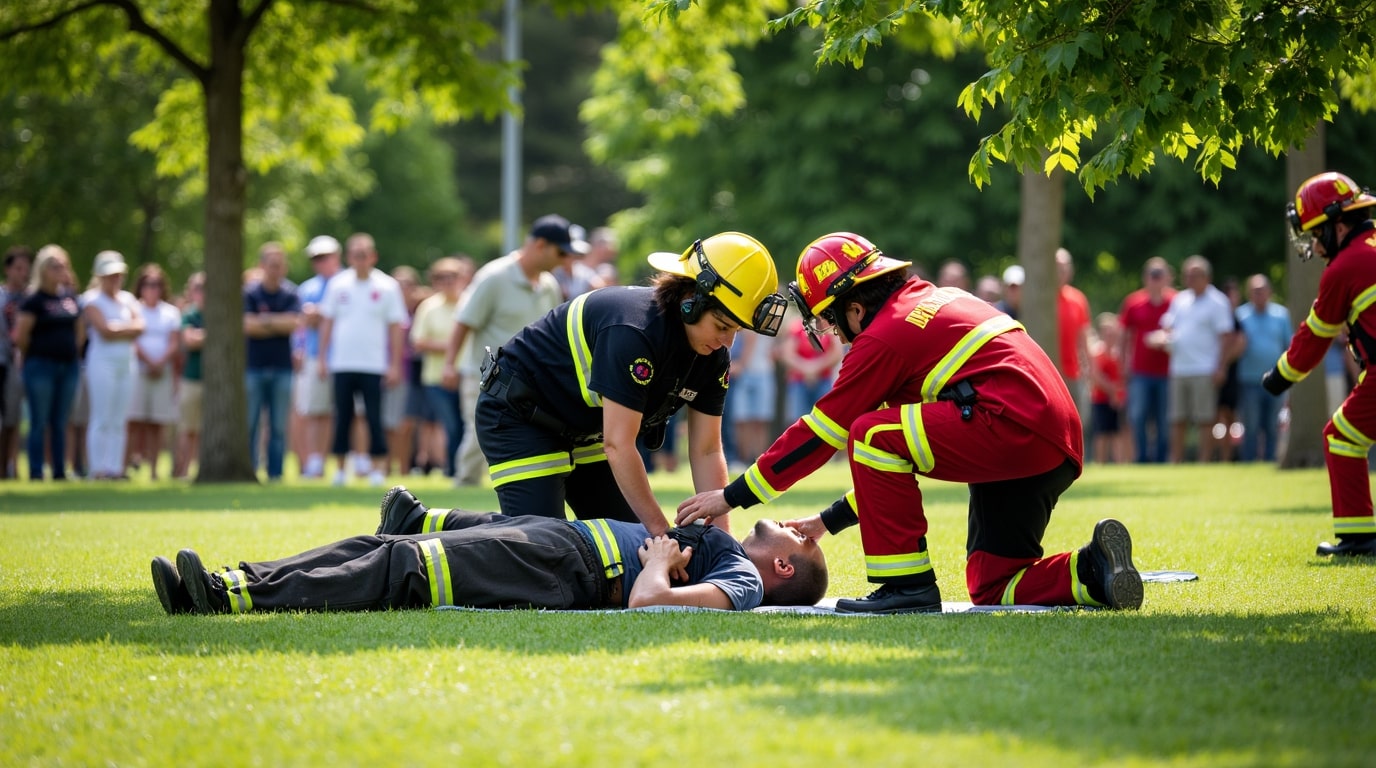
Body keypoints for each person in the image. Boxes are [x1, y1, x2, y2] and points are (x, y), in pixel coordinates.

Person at [675, 232, 1142, 614]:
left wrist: (732, 495)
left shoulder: (884, 336)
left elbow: (822, 432)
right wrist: (826, 521)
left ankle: (906, 587)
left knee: (871, 432)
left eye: (832, 321)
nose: (835, 334)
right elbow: (894, 469)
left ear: (855, 308)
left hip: (1013, 427)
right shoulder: (939, 300)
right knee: (993, 586)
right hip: (1045, 437)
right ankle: (1093, 571)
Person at [474, 232, 787, 535]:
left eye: (737, 331)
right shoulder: (633, 331)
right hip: (520, 416)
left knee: (630, 549)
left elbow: (706, 450)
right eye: (721, 326)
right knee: (545, 548)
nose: (727, 342)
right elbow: (618, 445)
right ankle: (438, 528)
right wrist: (661, 534)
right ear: (691, 302)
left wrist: (724, 542)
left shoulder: (713, 354)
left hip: (584, 428)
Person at [150, 485, 828, 615]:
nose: (794, 524)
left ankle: (228, 599)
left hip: (565, 567)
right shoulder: (739, 553)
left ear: (785, 567)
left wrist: (655, 562)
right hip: (562, 543)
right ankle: (226, 582)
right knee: (384, 542)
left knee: (402, 567)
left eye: (798, 535)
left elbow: (653, 602)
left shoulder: (742, 580)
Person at [1263, 171, 1376, 557]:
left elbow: (1314, 338)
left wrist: (1279, 377)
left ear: (1339, 225)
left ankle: (1359, 538)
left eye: (1317, 233)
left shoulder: (1343, 269)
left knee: (1341, 437)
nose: (1316, 243)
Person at [441, 215, 579, 486]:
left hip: (529, 381)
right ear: (541, 244)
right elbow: (464, 321)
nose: (565, 260)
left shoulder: (549, 284)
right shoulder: (494, 276)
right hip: (486, 374)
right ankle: (465, 484)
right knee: (478, 433)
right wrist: (449, 363)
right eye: (561, 252)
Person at [317, 233, 406, 487]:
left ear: (373, 256)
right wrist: (323, 358)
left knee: (374, 417)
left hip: (373, 363)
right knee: (342, 416)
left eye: (364, 254)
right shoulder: (337, 284)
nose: (360, 259)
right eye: (355, 254)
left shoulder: (387, 286)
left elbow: (395, 327)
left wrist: (394, 364)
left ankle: (378, 468)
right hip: (342, 363)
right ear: (348, 257)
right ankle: (341, 470)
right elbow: (327, 322)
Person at [1153, 255, 1238, 463]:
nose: (1189, 279)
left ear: (1207, 277)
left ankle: (1204, 460)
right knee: (1177, 419)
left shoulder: (1218, 301)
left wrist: (1221, 367)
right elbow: (1168, 327)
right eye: (1187, 275)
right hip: (1179, 368)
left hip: (1204, 369)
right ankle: (1176, 460)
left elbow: (1226, 337)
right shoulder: (1180, 300)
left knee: (1205, 419)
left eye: (1195, 275)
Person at [13, 245, 83, 481]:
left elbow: (79, 331)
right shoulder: (33, 299)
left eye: (63, 265)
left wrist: (72, 351)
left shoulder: (69, 297)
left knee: (60, 422)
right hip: (41, 366)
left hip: (68, 366)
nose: (60, 270)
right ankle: (35, 470)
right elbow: (22, 336)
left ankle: (59, 471)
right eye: (55, 266)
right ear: (42, 269)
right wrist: (34, 354)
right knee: (39, 421)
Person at [83, 251, 144, 481]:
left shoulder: (128, 299)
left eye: (119, 274)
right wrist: (125, 328)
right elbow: (105, 330)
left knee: (119, 419)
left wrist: (119, 328)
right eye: (111, 275)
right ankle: (97, 469)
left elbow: (141, 326)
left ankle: (115, 468)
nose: (116, 279)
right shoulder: (91, 299)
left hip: (126, 362)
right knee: (101, 417)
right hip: (101, 362)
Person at [243, 243, 301, 481]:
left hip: (282, 369)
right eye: (271, 265)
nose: (275, 269)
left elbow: (295, 323)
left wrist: (263, 321)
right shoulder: (249, 293)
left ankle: (275, 473)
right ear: (261, 265)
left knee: (278, 426)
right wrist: (277, 323)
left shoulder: (291, 293)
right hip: (253, 368)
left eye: (279, 265)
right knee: (250, 424)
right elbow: (247, 326)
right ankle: (250, 470)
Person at [411, 257, 473, 478]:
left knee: (468, 426)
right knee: (451, 426)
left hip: (468, 375)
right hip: (436, 378)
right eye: (441, 277)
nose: (447, 282)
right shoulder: (429, 307)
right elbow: (418, 342)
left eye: (452, 277)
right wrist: (452, 346)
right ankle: (453, 470)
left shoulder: (470, 302)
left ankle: (463, 470)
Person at [292, 235, 342, 479]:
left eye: (324, 257)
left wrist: (321, 313)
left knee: (340, 413)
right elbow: (301, 325)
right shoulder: (307, 288)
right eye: (315, 258)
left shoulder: (346, 283)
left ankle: (338, 461)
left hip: (343, 357)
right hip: (314, 355)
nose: (319, 263)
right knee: (315, 411)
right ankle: (315, 461)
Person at [1119, 257, 1176, 463]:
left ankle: (1161, 458)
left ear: (1168, 277)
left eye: (1159, 275)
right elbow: (1124, 336)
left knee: (1164, 418)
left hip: (1169, 370)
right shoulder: (1133, 303)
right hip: (1140, 371)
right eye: (1152, 275)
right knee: (1138, 416)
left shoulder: (1176, 302)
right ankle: (1141, 457)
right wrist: (1124, 365)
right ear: (1145, 278)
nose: (1156, 280)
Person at [126, 264, 181, 479]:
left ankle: (155, 471)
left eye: (157, 285)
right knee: (134, 421)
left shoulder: (170, 312)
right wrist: (149, 361)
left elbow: (174, 342)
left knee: (157, 423)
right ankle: (124, 466)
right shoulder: (133, 309)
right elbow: (133, 340)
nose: (153, 289)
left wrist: (159, 363)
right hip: (138, 371)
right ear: (141, 287)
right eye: (148, 284)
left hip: (162, 372)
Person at [1235, 274, 1292, 462]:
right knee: (1250, 425)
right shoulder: (1240, 316)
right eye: (1254, 291)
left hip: (1275, 381)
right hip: (1249, 379)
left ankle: (1271, 460)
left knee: (1272, 424)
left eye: (1261, 290)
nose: (1258, 294)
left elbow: (1288, 346)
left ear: (1269, 292)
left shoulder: (1281, 315)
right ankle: (1248, 460)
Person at [1, 245, 33, 478]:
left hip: (22, 364)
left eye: (27, 269)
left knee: (14, 418)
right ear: (8, 269)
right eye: (19, 268)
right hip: (2, 360)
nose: (23, 273)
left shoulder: (31, 298)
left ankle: (10, 466)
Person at [778, 313, 844, 424]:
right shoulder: (797, 326)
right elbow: (787, 354)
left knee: (824, 421)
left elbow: (837, 353)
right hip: (799, 382)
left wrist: (814, 368)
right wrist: (807, 368)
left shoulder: (828, 325)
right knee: (797, 422)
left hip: (823, 381)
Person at [174, 272, 206, 479]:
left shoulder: (220, 314)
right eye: (199, 288)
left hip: (212, 383)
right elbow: (189, 341)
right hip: (192, 378)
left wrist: (199, 335)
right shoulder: (188, 314)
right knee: (188, 428)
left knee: (207, 431)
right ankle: (183, 470)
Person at [1088, 312, 1128, 463]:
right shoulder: (1097, 352)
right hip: (1100, 398)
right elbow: (1096, 376)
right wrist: (1113, 392)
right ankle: (1100, 462)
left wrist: (1117, 395)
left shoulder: (1118, 354)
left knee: (1117, 432)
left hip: (1117, 400)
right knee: (1102, 432)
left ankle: (1119, 462)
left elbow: (1122, 376)